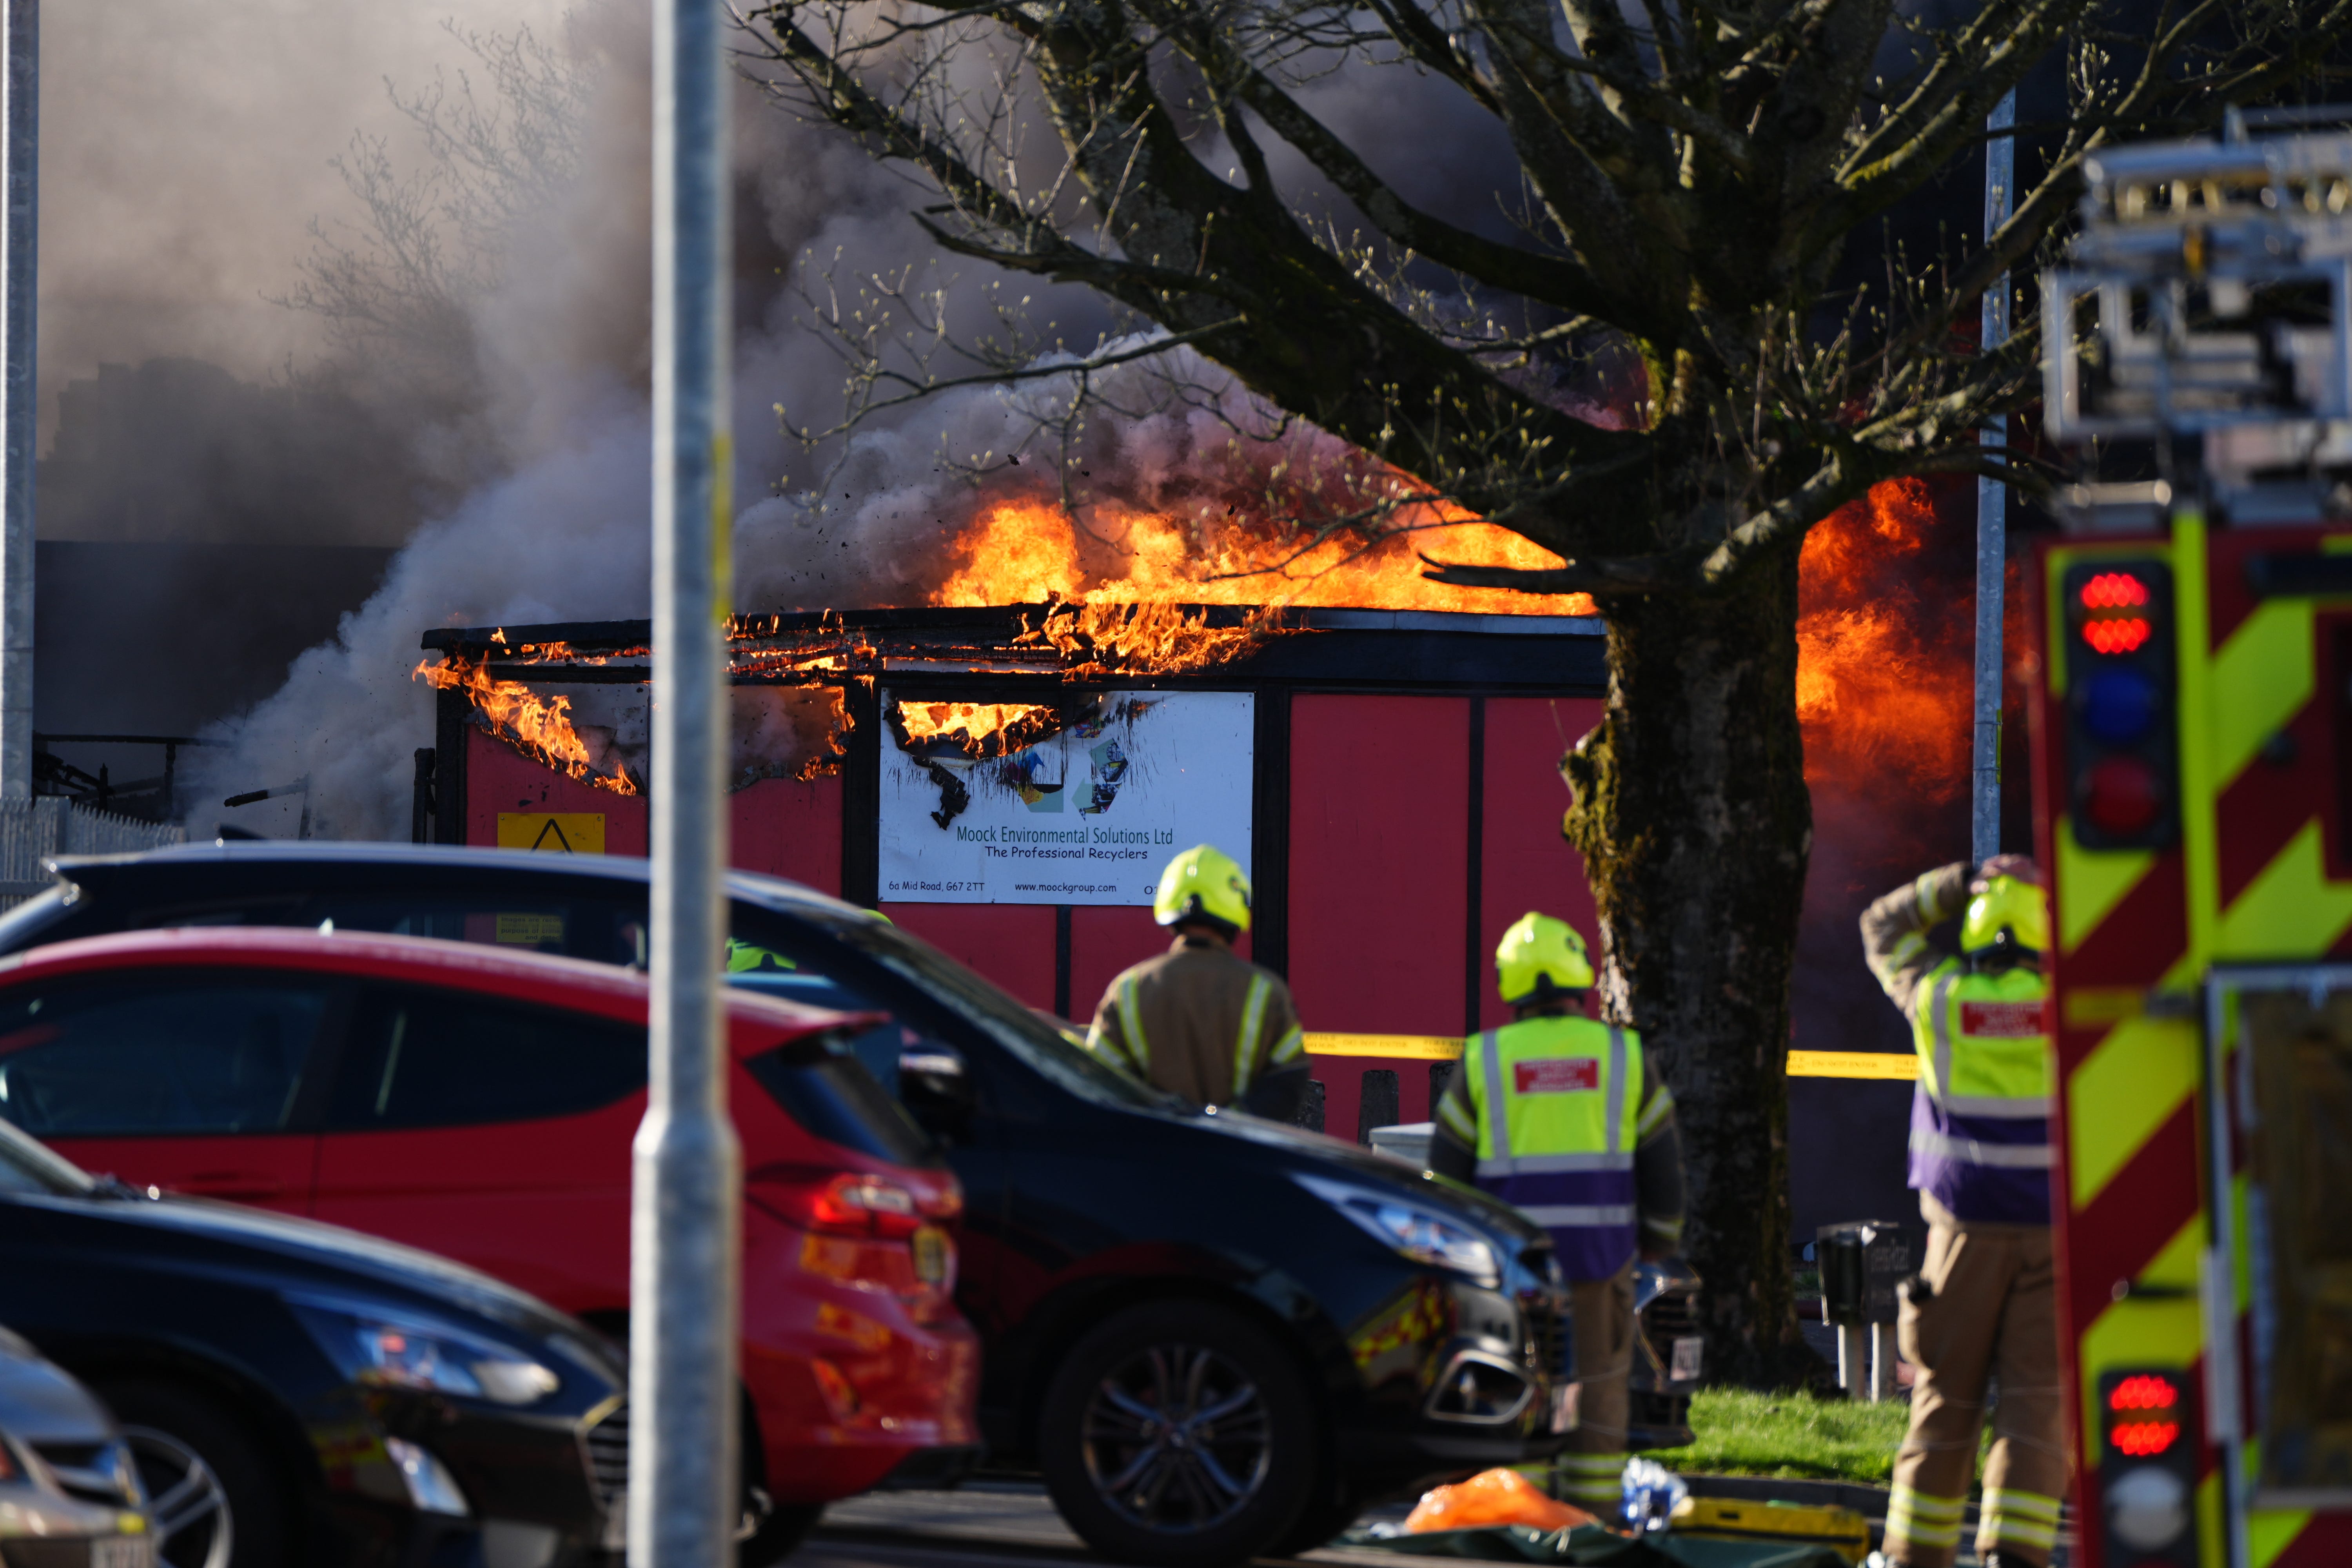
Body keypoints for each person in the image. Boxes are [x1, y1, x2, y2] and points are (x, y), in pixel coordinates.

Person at [1430, 911, 1686, 1515]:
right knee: (1599, 1388)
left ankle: (1523, 1511)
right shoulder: (1622, 1054)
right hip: (1600, 1261)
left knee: (1519, 1387)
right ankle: (1591, 1521)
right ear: (1578, 977)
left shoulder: (1484, 1059)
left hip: (1512, 1273)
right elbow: (1661, 1159)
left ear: (1510, 985)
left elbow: (1446, 1174)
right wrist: (1659, 1237)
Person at [1860, 856, 2062, 1568]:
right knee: (2039, 1402)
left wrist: (1962, 879)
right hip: (2055, 1238)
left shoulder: (1939, 997)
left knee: (1946, 1396)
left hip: (1962, 1236)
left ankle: (1915, 1554)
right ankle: (2015, 1553)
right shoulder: (2071, 1004)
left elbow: (1880, 926)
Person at [1085, 844, 1309, 1118]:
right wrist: (1228, 1122)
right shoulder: (1264, 991)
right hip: (1239, 1156)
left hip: (1150, 1156)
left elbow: (1098, 1078)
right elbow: (1289, 1081)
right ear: (1234, 907)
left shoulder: (1129, 989)